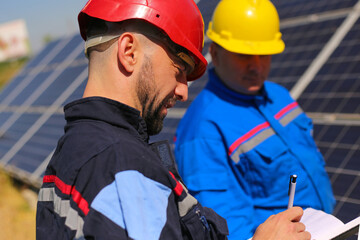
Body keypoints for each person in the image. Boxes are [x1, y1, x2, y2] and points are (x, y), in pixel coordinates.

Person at [36, 0, 311, 239]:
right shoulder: (123, 169)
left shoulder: (72, 152)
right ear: (129, 52)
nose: (183, 90)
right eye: (179, 69)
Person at [174, 0, 335, 239]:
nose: (256, 67)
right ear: (215, 53)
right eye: (244, 55)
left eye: (264, 55)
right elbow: (231, 229)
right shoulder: (203, 130)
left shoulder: (278, 95)